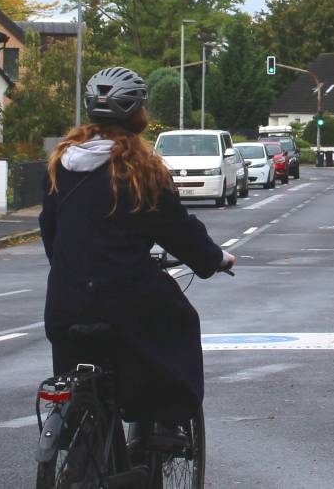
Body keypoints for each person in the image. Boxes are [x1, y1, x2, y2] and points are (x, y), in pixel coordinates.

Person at [40, 66, 236, 430]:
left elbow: (50, 232)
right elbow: (178, 230)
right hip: (125, 300)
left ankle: (75, 442)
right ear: (138, 114)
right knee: (179, 325)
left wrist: (74, 268)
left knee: (73, 370)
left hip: (66, 302)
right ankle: (164, 428)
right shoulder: (142, 169)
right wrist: (215, 259)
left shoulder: (59, 165)